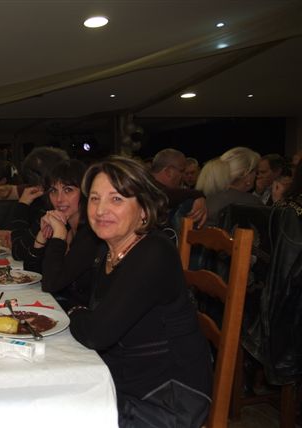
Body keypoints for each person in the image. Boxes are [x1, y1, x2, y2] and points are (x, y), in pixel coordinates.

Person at [69, 156, 212, 427]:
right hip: (126, 375)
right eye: (95, 199)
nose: (100, 210)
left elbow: (97, 333)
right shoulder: (107, 251)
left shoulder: (154, 253)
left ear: (144, 208)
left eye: (116, 199)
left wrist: (75, 311)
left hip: (168, 397)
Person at [34, 160, 99, 310]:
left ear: (85, 193)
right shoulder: (68, 229)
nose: (59, 199)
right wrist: (41, 237)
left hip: (81, 317)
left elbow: (50, 284)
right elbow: (34, 275)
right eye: (53, 191)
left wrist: (58, 237)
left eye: (68, 190)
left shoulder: (91, 235)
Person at [195, 147, 262, 227]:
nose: (257, 176)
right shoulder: (252, 203)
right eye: (256, 172)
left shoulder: (204, 198)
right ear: (246, 174)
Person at [151, 148, 207, 228]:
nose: (183, 176)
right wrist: (198, 195)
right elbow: (164, 195)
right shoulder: (147, 187)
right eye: (181, 171)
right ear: (168, 171)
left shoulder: (146, 182)